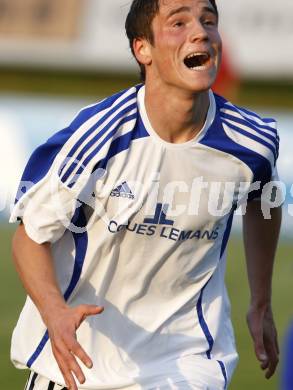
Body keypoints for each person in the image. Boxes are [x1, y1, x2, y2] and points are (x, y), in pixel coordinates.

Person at [10, 0, 281, 389]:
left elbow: (263, 203)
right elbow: (29, 237)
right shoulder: (98, 135)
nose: (201, 31)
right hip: (81, 359)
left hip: (189, 359)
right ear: (143, 49)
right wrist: (54, 313)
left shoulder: (253, 142)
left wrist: (261, 303)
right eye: (179, 22)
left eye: (209, 21)